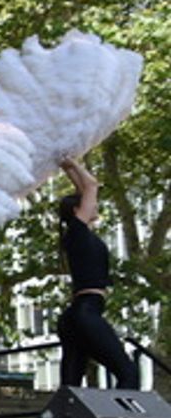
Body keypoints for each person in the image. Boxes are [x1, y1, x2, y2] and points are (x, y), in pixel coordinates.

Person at [55, 158, 138, 390]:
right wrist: (70, 159)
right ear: (76, 210)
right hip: (86, 312)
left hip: (77, 315)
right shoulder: (77, 233)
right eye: (88, 204)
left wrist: (66, 167)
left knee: (71, 388)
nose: (95, 205)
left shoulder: (79, 234)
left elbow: (85, 189)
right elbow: (91, 185)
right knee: (128, 373)